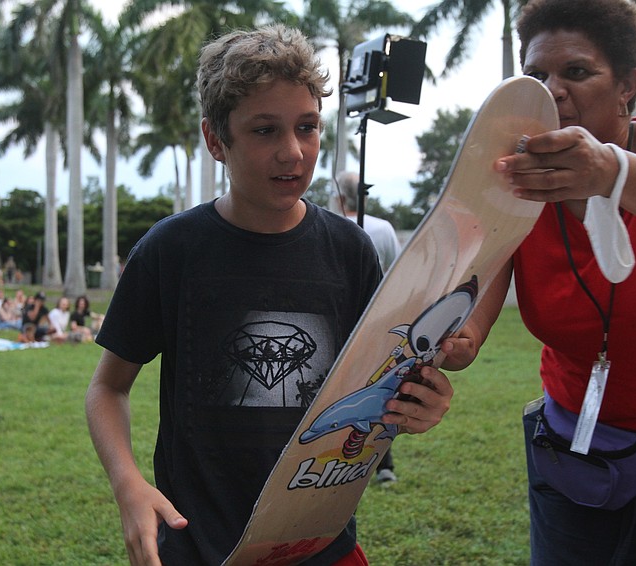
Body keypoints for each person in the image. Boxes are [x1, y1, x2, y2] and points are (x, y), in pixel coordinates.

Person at [85, 25, 455, 566]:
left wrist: (424, 401)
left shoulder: (349, 251)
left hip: (323, 545)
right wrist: (128, 484)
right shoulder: (172, 250)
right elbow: (107, 389)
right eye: (264, 130)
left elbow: (383, 385)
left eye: (307, 127)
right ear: (216, 140)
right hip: (201, 546)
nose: (293, 152)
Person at [442, 1, 636, 564]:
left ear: (628, 85)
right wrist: (455, 340)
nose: (552, 92)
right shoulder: (511, 182)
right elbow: (477, 293)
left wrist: (612, 172)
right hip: (578, 447)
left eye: (576, 72)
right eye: (535, 76)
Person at [335, 170, 403, 484]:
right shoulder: (384, 228)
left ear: (340, 196)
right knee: (376, 393)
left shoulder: (332, 227)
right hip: (378, 323)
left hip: (338, 325)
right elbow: (395, 272)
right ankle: (383, 464)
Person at [334, 171, 402, 272]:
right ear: (363, 197)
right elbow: (400, 268)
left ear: (341, 199)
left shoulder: (326, 227)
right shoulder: (383, 228)